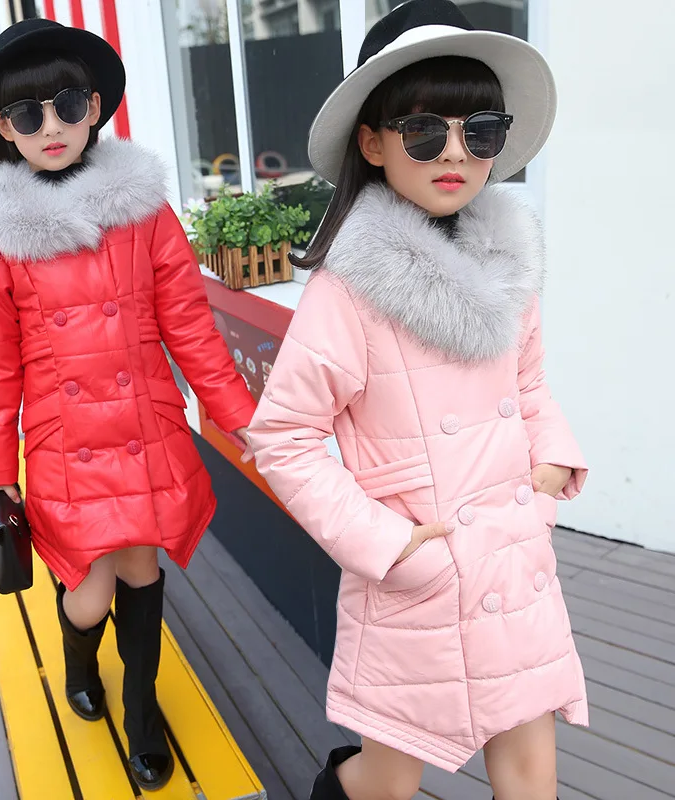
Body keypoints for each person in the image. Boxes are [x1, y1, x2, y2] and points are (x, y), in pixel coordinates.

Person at [244, 2, 588, 798]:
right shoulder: (348, 292)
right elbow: (285, 435)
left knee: (531, 774)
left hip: (511, 563)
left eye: (481, 131)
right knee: (387, 783)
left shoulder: (509, 266)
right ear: (373, 143)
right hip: (419, 579)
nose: (456, 152)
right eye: (425, 131)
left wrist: (549, 465)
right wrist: (389, 544)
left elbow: (528, 384)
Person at [0, 18, 255, 791]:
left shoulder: (144, 212)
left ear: (93, 107)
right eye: (28, 115)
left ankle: (143, 712)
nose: (50, 127)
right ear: (4, 129)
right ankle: (78, 657)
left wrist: (237, 415)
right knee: (87, 597)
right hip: (65, 444)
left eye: (66, 105)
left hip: (143, 428)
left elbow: (189, 325)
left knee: (140, 570)